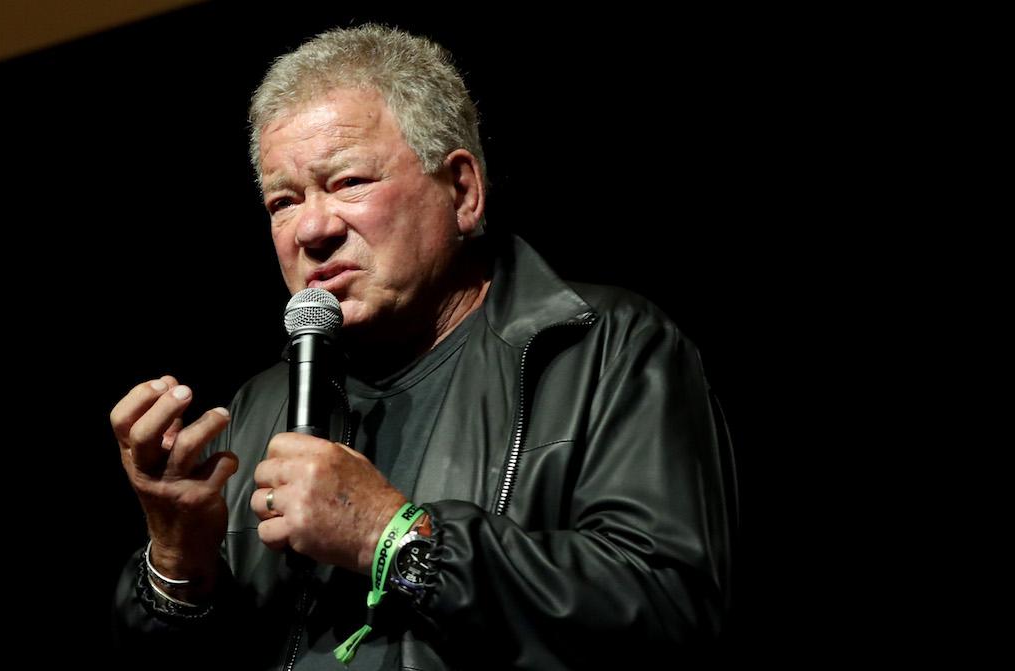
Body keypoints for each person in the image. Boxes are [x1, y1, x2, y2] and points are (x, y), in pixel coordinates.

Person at [111, 24, 737, 668]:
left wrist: (395, 540)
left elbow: (671, 613)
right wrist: (178, 562)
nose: (312, 228)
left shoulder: (606, 349)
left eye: (349, 181)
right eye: (284, 201)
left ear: (462, 191)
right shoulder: (256, 408)